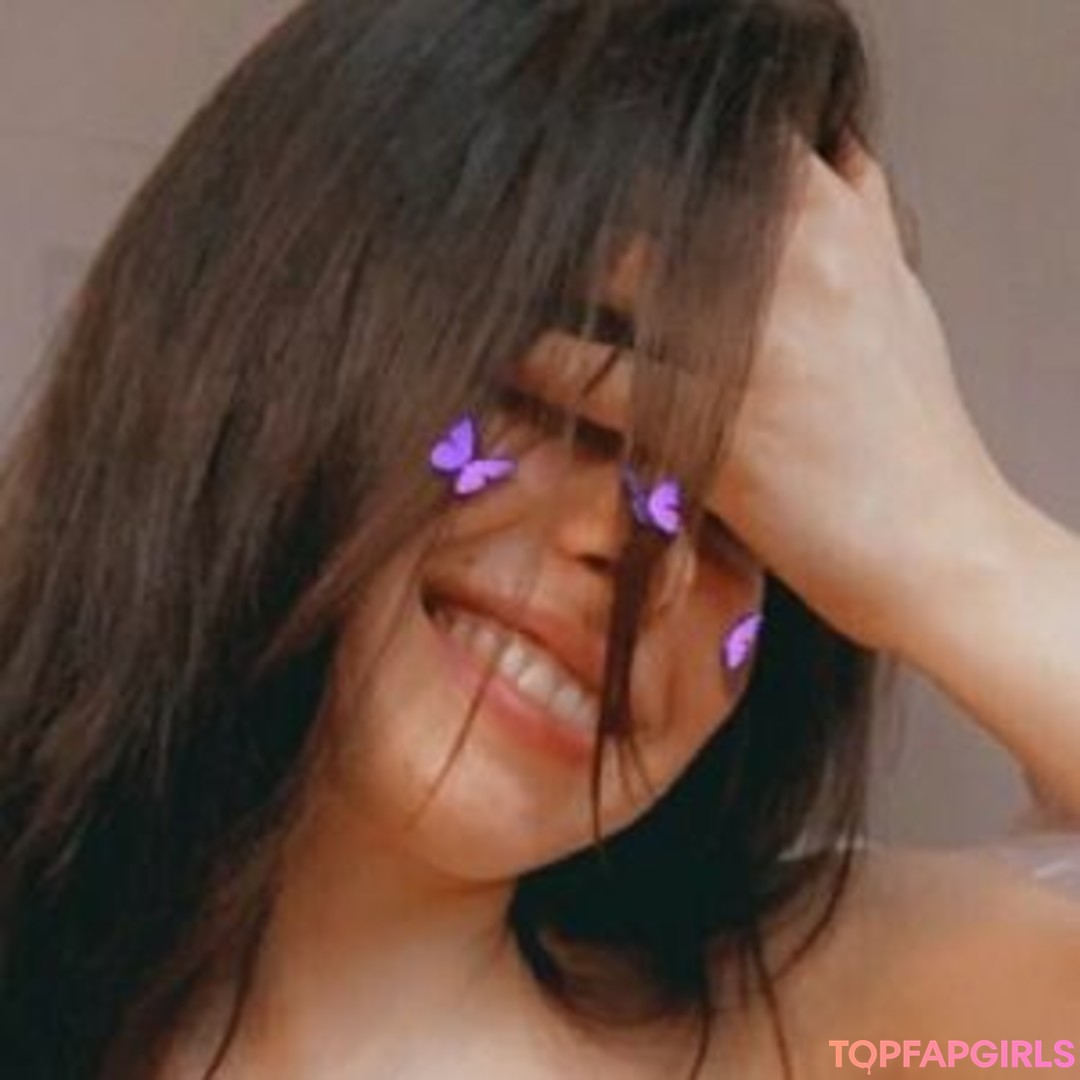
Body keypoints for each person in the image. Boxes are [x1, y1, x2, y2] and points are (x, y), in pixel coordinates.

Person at [1, 1, 1078, 1077]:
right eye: (573, 400)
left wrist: (958, 544)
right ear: (287, 319)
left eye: (745, 505)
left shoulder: (869, 1031)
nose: (636, 553)